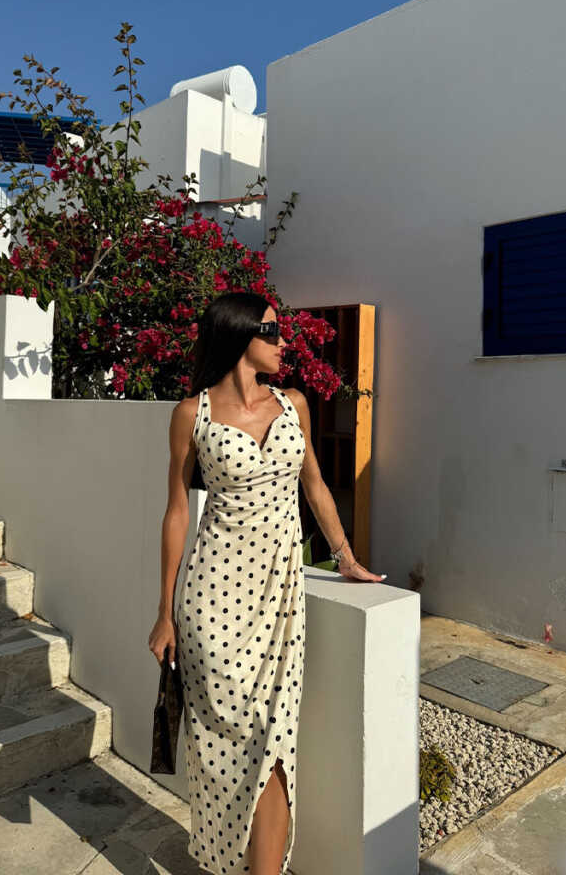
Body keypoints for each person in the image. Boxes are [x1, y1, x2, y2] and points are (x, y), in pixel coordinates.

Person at [148, 292, 386, 875]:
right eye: (273, 332)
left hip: (279, 598)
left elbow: (315, 485)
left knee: (275, 745)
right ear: (240, 335)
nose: (284, 343)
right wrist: (164, 612)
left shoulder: (293, 403)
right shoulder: (192, 413)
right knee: (221, 751)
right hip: (211, 601)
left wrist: (344, 557)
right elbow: (177, 511)